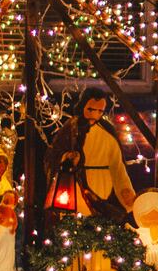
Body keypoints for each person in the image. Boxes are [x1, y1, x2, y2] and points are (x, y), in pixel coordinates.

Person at [55, 84, 138, 222]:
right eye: (91, 110)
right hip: (77, 183)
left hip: (104, 184)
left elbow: (117, 166)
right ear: (83, 106)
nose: (95, 115)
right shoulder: (71, 128)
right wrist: (67, 157)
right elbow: (54, 154)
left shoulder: (107, 131)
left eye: (100, 111)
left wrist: (126, 193)